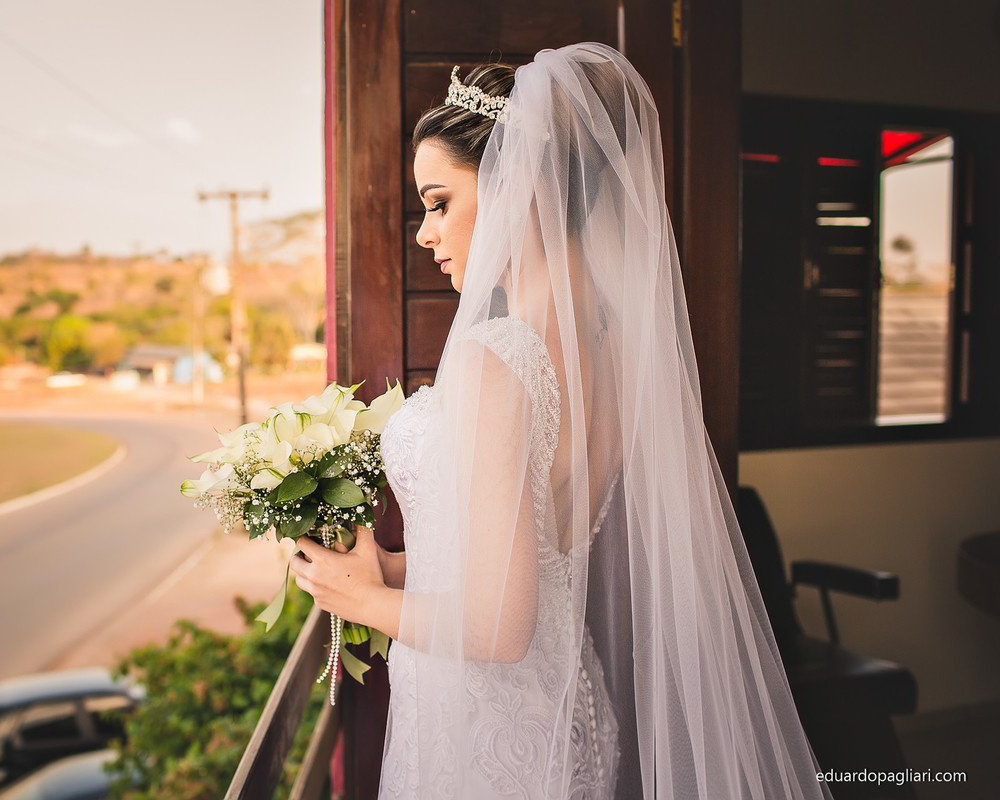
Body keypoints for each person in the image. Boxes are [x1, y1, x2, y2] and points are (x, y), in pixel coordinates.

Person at [291, 43, 831, 799]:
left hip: (485, 740)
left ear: (521, 186)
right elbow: (535, 550)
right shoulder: (616, 349)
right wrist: (392, 567)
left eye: (439, 202)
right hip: (569, 713)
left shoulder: (495, 358)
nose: (424, 233)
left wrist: (360, 600)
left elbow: (498, 626)